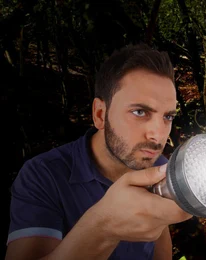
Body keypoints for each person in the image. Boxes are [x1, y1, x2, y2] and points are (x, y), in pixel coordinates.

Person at [5, 43, 193, 259]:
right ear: (100, 114)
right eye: (140, 112)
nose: (157, 134)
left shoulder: (158, 164)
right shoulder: (42, 175)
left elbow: (159, 246)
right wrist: (102, 228)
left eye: (167, 117)